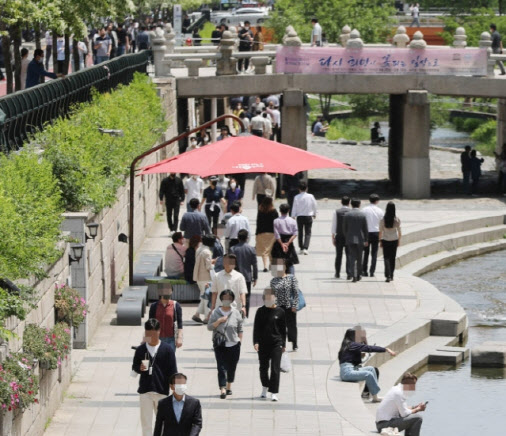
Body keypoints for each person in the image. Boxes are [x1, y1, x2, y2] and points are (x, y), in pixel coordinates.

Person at [132, 319, 178, 436]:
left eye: (153, 334)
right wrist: (139, 368)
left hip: (161, 391)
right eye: (148, 334)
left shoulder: (167, 349)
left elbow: (173, 370)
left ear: (159, 332)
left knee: (163, 423)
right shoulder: (141, 349)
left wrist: (174, 386)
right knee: (146, 423)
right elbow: (135, 366)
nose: (151, 337)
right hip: (145, 391)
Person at [338, 327, 396, 403]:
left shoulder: (347, 345)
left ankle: (374, 395)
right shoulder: (352, 345)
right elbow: (369, 348)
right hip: (347, 372)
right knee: (368, 374)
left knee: (371, 369)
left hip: (351, 369)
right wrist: (386, 349)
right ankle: (375, 397)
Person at [208, 289, 243, 399]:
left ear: (232, 300)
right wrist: (218, 321)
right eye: (224, 298)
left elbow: (240, 328)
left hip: (234, 344)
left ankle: (229, 386)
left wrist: (239, 342)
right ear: (221, 299)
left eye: (229, 298)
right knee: (221, 367)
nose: (226, 300)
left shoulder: (236, 312)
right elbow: (209, 327)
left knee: (232, 367)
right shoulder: (215, 312)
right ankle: (222, 388)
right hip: (220, 344)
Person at [253, 287, 286, 402]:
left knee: (275, 368)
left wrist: (283, 344)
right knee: (263, 368)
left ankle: (274, 392)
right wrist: (255, 342)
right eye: (266, 298)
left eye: (270, 298)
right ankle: (264, 387)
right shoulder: (260, 311)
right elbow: (256, 328)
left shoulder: (280, 312)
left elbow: (283, 329)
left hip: (276, 343)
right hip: (263, 344)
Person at [270, 258, 299, 351]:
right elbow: (271, 294)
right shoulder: (273, 280)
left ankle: (294, 342)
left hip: (289, 307)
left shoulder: (291, 278)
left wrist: (294, 305)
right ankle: (282, 344)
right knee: (279, 327)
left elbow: (296, 292)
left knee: (291, 327)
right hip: (278, 307)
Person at [230, 229, 258, 317]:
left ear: (238, 238)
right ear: (247, 238)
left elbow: (230, 264)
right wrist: (255, 277)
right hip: (247, 276)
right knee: (247, 296)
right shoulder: (251, 249)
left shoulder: (232, 249)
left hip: (234, 276)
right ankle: (245, 314)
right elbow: (255, 265)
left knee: (234, 295)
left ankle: (235, 313)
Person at [343, 199, 369, 283]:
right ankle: (358, 274)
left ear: (351, 205)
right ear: (359, 204)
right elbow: (365, 229)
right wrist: (366, 239)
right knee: (359, 257)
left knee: (352, 257)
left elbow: (344, 228)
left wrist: (347, 236)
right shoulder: (363, 215)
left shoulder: (347, 215)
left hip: (350, 238)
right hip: (360, 239)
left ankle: (353, 275)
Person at [192, 234, 215, 324]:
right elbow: (209, 267)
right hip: (206, 277)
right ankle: (207, 317)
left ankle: (197, 314)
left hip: (199, 277)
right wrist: (214, 262)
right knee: (206, 297)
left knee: (203, 296)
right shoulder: (207, 252)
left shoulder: (199, 249)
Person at [271, 203, 299, 275]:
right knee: (290, 262)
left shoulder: (276, 221)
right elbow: (295, 233)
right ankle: (291, 280)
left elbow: (276, 234)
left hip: (279, 242)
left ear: (280, 211)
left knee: (278, 262)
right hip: (289, 241)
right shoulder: (293, 221)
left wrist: (282, 244)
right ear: (289, 210)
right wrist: (288, 243)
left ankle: (278, 280)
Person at [291, 181, 317, 255]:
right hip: (308, 216)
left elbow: (294, 207)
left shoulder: (296, 197)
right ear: (307, 188)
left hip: (300, 217)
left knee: (300, 232)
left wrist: (293, 215)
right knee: (308, 232)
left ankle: (301, 247)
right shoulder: (311, 196)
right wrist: (314, 213)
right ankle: (306, 247)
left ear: (299, 189)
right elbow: (315, 205)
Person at [362, 194, 384, 278]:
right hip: (376, 232)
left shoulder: (364, 210)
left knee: (366, 252)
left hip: (366, 233)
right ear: (377, 201)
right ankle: (372, 271)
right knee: (374, 253)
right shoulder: (380, 211)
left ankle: (364, 270)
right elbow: (382, 223)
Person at [379, 201, 402, 283]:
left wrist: (380, 241)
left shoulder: (383, 220)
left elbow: (380, 232)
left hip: (385, 240)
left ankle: (387, 275)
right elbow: (399, 232)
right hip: (394, 240)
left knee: (386, 258)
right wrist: (399, 240)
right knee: (392, 258)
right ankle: (391, 275)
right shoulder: (397, 220)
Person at [256, 197, 279, 272]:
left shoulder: (260, 211)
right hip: (272, 233)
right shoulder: (274, 211)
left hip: (262, 232)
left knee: (264, 250)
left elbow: (258, 222)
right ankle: (271, 264)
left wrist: (257, 233)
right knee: (271, 249)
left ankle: (265, 266)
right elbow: (277, 223)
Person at [332, 195, 352, 279]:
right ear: (349, 202)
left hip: (339, 235)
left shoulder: (336, 212)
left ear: (341, 202)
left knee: (338, 255)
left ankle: (337, 273)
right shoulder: (351, 212)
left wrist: (333, 236)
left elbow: (334, 225)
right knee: (349, 255)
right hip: (349, 236)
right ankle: (349, 273)